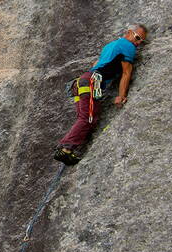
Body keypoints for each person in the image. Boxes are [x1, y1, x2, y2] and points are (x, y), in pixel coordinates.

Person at [53, 24, 148, 165]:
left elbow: (96, 63)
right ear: (129, 33)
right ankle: (65, 149)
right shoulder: (128, 46)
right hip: (93, 81)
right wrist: (121, 96)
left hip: (82, 81)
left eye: (142, 41)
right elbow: (126, 72)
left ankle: (66, 149)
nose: (138, 43)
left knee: (86, 117)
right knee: (88, 118)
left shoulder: (111, 45)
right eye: (138, 38)